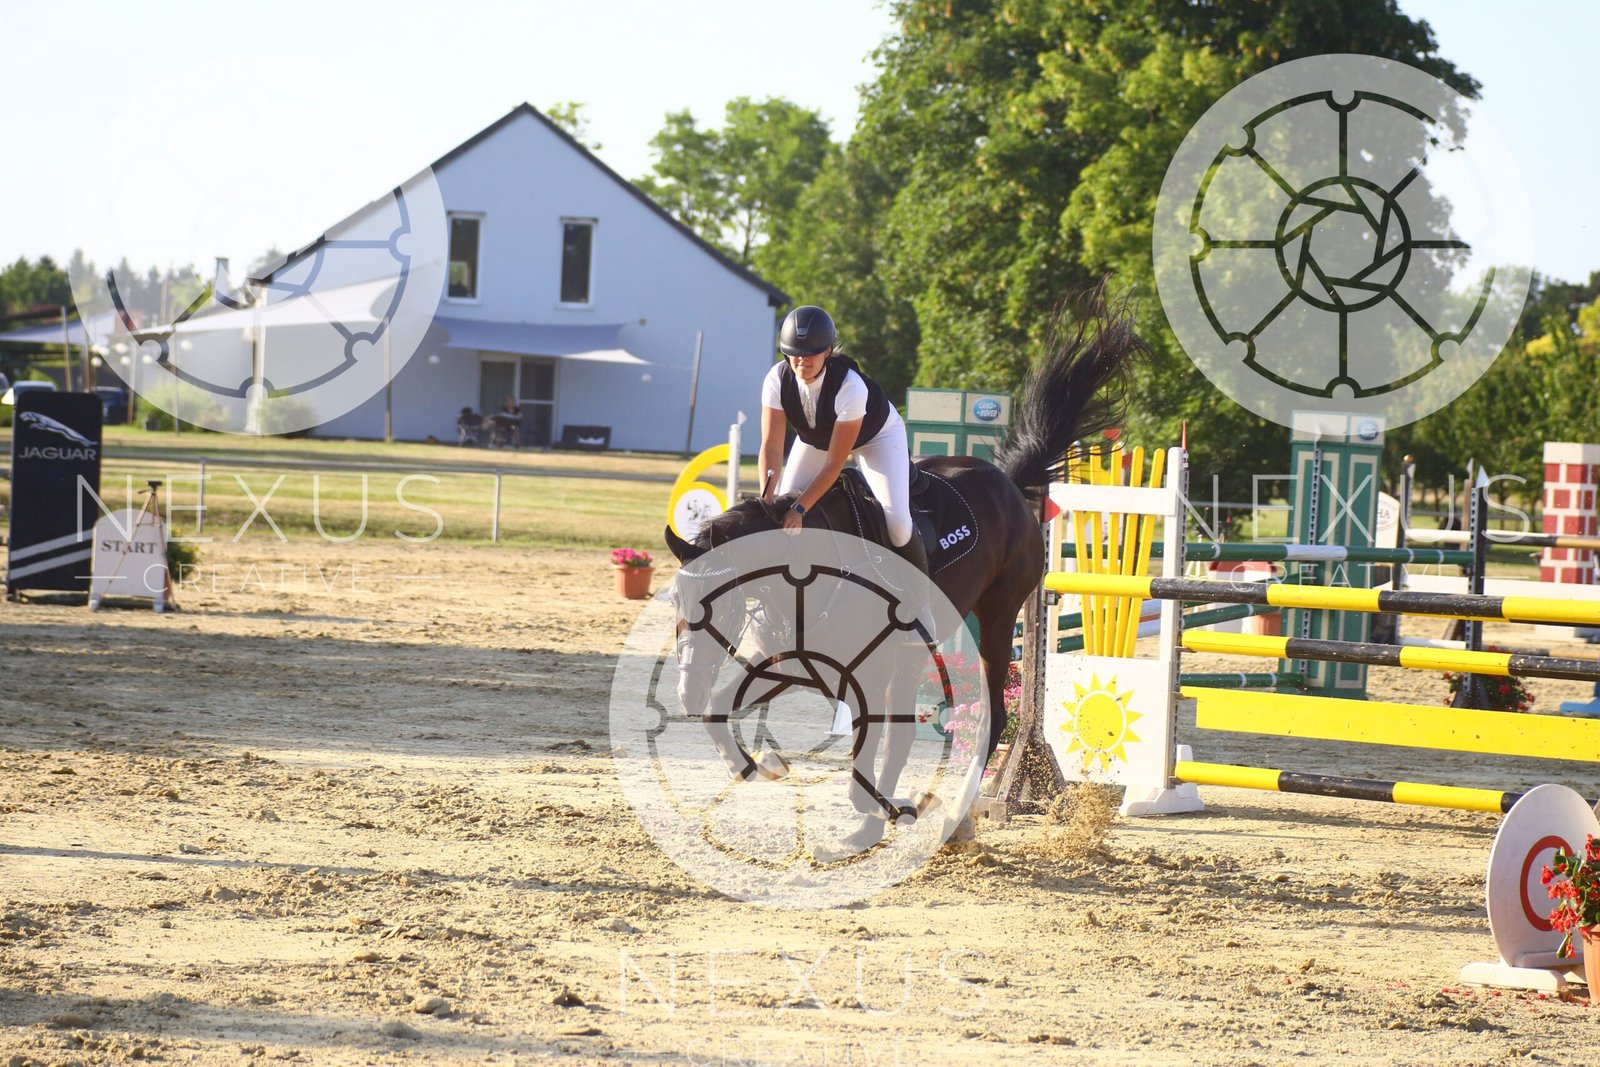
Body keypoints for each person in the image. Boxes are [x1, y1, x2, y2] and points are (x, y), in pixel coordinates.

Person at [759, 305, 930, 587]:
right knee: (781, 507)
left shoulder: (850, 386)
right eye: (795, 353)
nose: (802, 360)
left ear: (827, 351)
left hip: (877, 437)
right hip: (817, 439)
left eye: (812, 353)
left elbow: (834, 464)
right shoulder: (776, 380)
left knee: (898, 525)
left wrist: (799, 510)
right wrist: (766, 500)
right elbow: (771, 449)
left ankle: (921, 596)